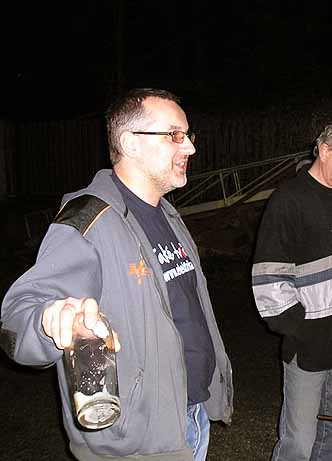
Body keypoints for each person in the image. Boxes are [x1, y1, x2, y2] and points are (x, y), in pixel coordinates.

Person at [0, 88, 233, 461]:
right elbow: (16, 319)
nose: (189, 147)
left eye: (188, 135)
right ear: (130, 143)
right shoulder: (89, 219)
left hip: (189, 414)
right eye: (174, 135)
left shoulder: (168, 215)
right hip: (138, 442)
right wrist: (48, 320)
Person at [251, 115, 332, 460]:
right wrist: (299, 328)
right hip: (309, 344)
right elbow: (268, 275)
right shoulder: (289, 200)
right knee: (298, 442)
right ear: (324, 151)